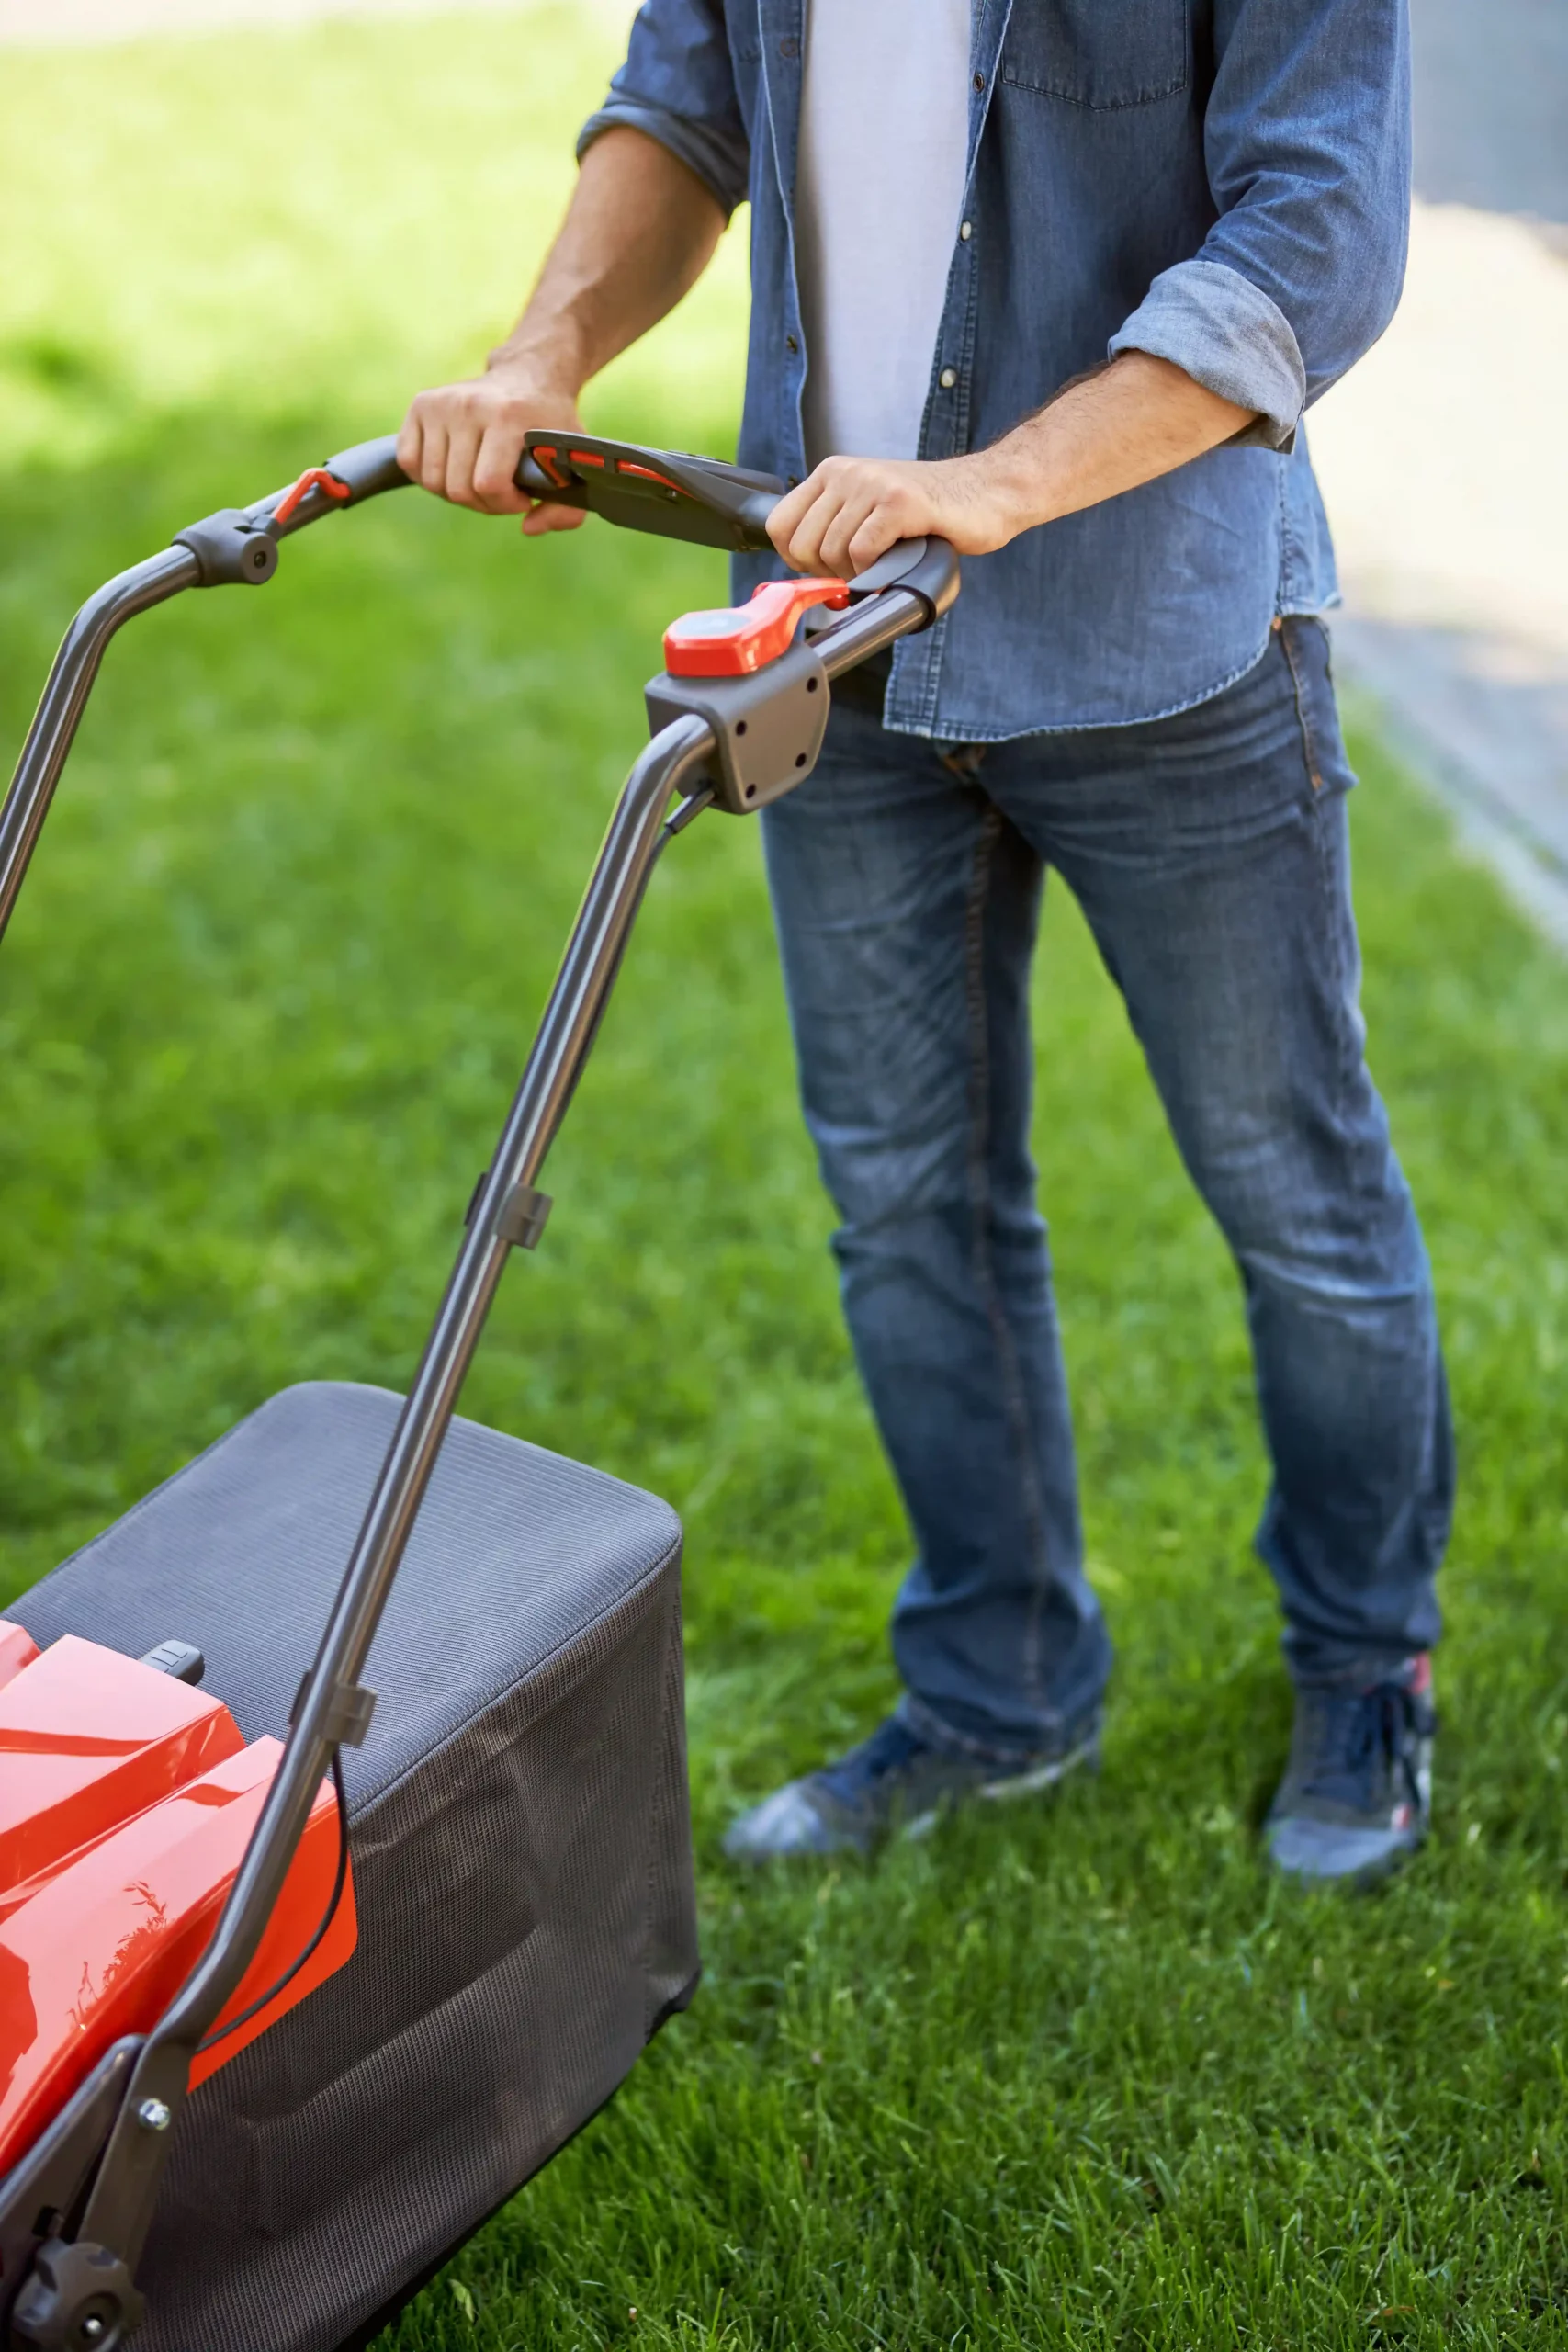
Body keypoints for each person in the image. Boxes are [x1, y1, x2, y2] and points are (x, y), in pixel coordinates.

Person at [399, 0, 1450, 1887]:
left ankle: (1368, 1659)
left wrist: (998, 481)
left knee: (1292, 1190)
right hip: (837, 646)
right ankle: (999, 1685)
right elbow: (682, 106)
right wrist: (543, 350)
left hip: (1167, 645)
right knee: (906, 1201)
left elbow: (1313, 234)